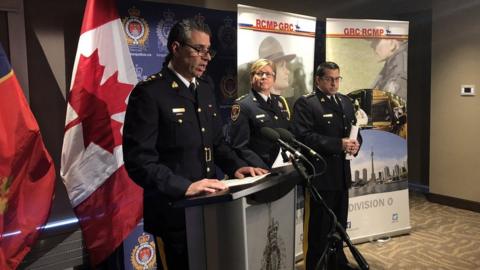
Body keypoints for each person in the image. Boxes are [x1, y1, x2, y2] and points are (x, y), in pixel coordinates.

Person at [123, 18, 267, 270]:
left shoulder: (205, 88)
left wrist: (236, 167)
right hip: (175, 215)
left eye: (208, 50)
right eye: (198, 49)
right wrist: (185, 187)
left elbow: (217, 142)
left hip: (211, 210)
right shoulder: (150, 93)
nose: (206, 57)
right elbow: (138, 161)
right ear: (176, 48)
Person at [291, 62, 362, 270]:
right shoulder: (307, 104)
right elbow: (302, 137)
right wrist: (338, 144)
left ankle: (337, 262)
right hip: (321, 176)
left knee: (339, 224)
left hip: (342, 175)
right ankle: (317, 265)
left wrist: (356, 145)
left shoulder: (346, 102)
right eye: (329, 79)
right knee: (320, 229)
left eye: (337, 78)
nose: (334, 83)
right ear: (318, 80)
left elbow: (355, 132)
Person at [228, 58, 291, 169]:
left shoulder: (280, 102)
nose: (264, 77)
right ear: (252, 78)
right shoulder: (243, 105)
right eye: (260, 73)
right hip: (261, 170)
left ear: (274, 79)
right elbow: (239, 146)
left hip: (284, 166)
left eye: (268, 74)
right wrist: (264, 168)